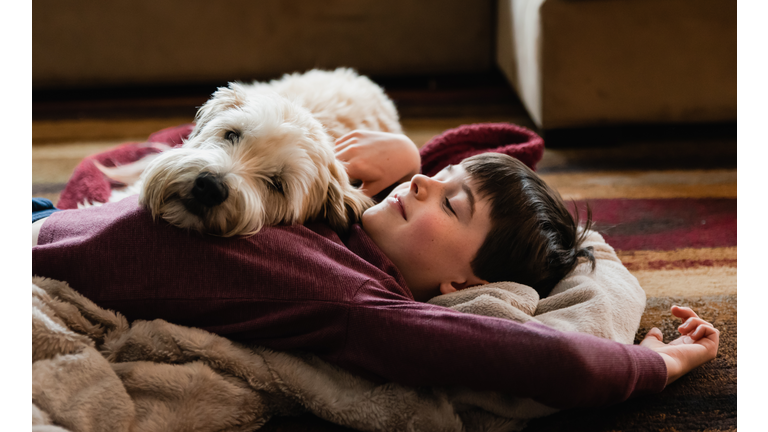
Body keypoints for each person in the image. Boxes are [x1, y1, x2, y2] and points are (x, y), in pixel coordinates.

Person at [32, 130, 719, 410]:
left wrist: (661, 366)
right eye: (434, 177)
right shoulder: (339, 220)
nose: (422, 184)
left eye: (449, 203)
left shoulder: (357, 301)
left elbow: (558, 364)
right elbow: (490, 146)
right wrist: (401, 157)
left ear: (464, 288)